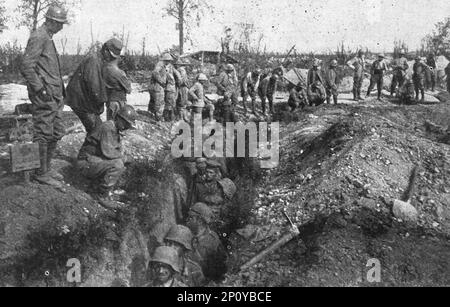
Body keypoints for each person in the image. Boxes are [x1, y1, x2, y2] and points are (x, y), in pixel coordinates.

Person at [20, 5, 68, 187]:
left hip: (54, 96)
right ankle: (41, 173)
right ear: (50, 21)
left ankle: (45, 169)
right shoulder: (39, 36)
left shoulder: (47, 37)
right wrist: (41, 89)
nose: (61, 27)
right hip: (45, 96)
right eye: (59, 23)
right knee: (43, 132)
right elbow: (26, 66)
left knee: (56, 131)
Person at [77, 105, 137, 209]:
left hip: (93, 161)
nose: (126, 127)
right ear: (119, 119)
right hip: (85, 163)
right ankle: (101, 195)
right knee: (118, 164)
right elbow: (109, 153)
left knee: (121, 162)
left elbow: (115, 150)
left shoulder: (114, 129)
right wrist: (125, 158)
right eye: (126, 124)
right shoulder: (108, 127)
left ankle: (107, 187)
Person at [66, 39, 123, 137]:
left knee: (96, 130)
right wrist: (105, 100)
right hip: (80, 101)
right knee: (96, 132)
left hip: (84, 101)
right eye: (111, 56)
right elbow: (95, 87)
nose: (111, 59)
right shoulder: (94, 60)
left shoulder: (100, 60)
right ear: (105, 50)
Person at [186, 203, 228, 282]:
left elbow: (219, 269)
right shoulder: (185, 234)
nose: (187, 220)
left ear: (200, 221)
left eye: (191, 218)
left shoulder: (213, 240)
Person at [103, 48, 131, 120]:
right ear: (118, 57)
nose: (122, 60)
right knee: (118, 123)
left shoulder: (105, 68)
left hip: (110, 100)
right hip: (118, 102)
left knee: (110, 122)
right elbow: (129, 89)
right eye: (122, 58)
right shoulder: (119, 72)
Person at [148, 54, 170, 121]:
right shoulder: (160, 64)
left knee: (154, 102)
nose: (169, 62)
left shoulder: (162, 65)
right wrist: (161, 81)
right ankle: (158, 118)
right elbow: (155, 72)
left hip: (155, 87)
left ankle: (152, 115)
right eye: (168, 61)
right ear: (166, 60)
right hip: (157, 87)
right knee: (159, 103)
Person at [164, 53, 181, 122]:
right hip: (169, 88)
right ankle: (170, 118)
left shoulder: (170, 68)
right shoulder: (167, 67)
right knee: (169, 103)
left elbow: (178, 77)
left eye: (168, 60)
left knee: (170, 103)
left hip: (170, 88)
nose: (166, 61)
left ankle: (169, 118)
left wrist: (177, 83)